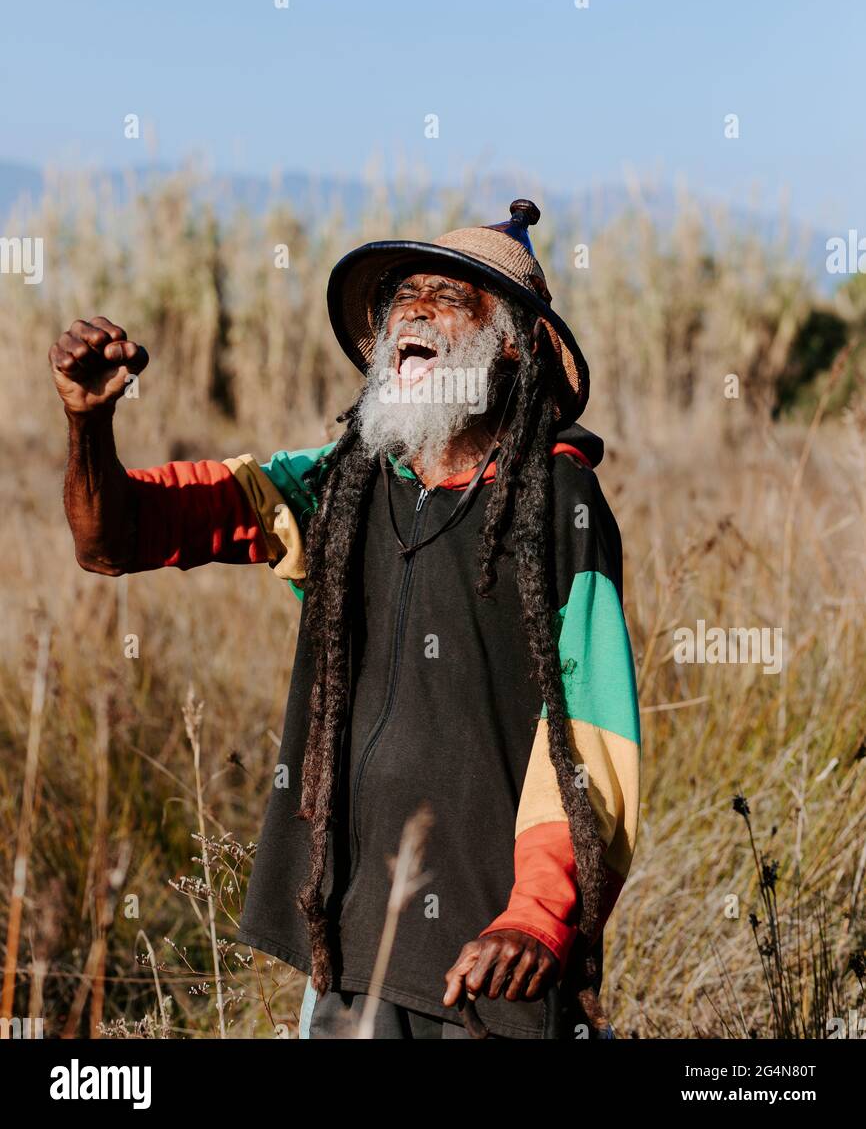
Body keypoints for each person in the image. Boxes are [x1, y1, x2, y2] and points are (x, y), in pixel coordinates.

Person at [49, 200, 640, 1040]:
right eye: (403, 298)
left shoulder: (561, 502)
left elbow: (587, 731)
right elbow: (114, 540)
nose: (415, 311)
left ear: (509, 343)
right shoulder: (342, 486)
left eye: (449, 297)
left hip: (495, 956)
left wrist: (537, 916)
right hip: (354, 942)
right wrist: (89, 422)